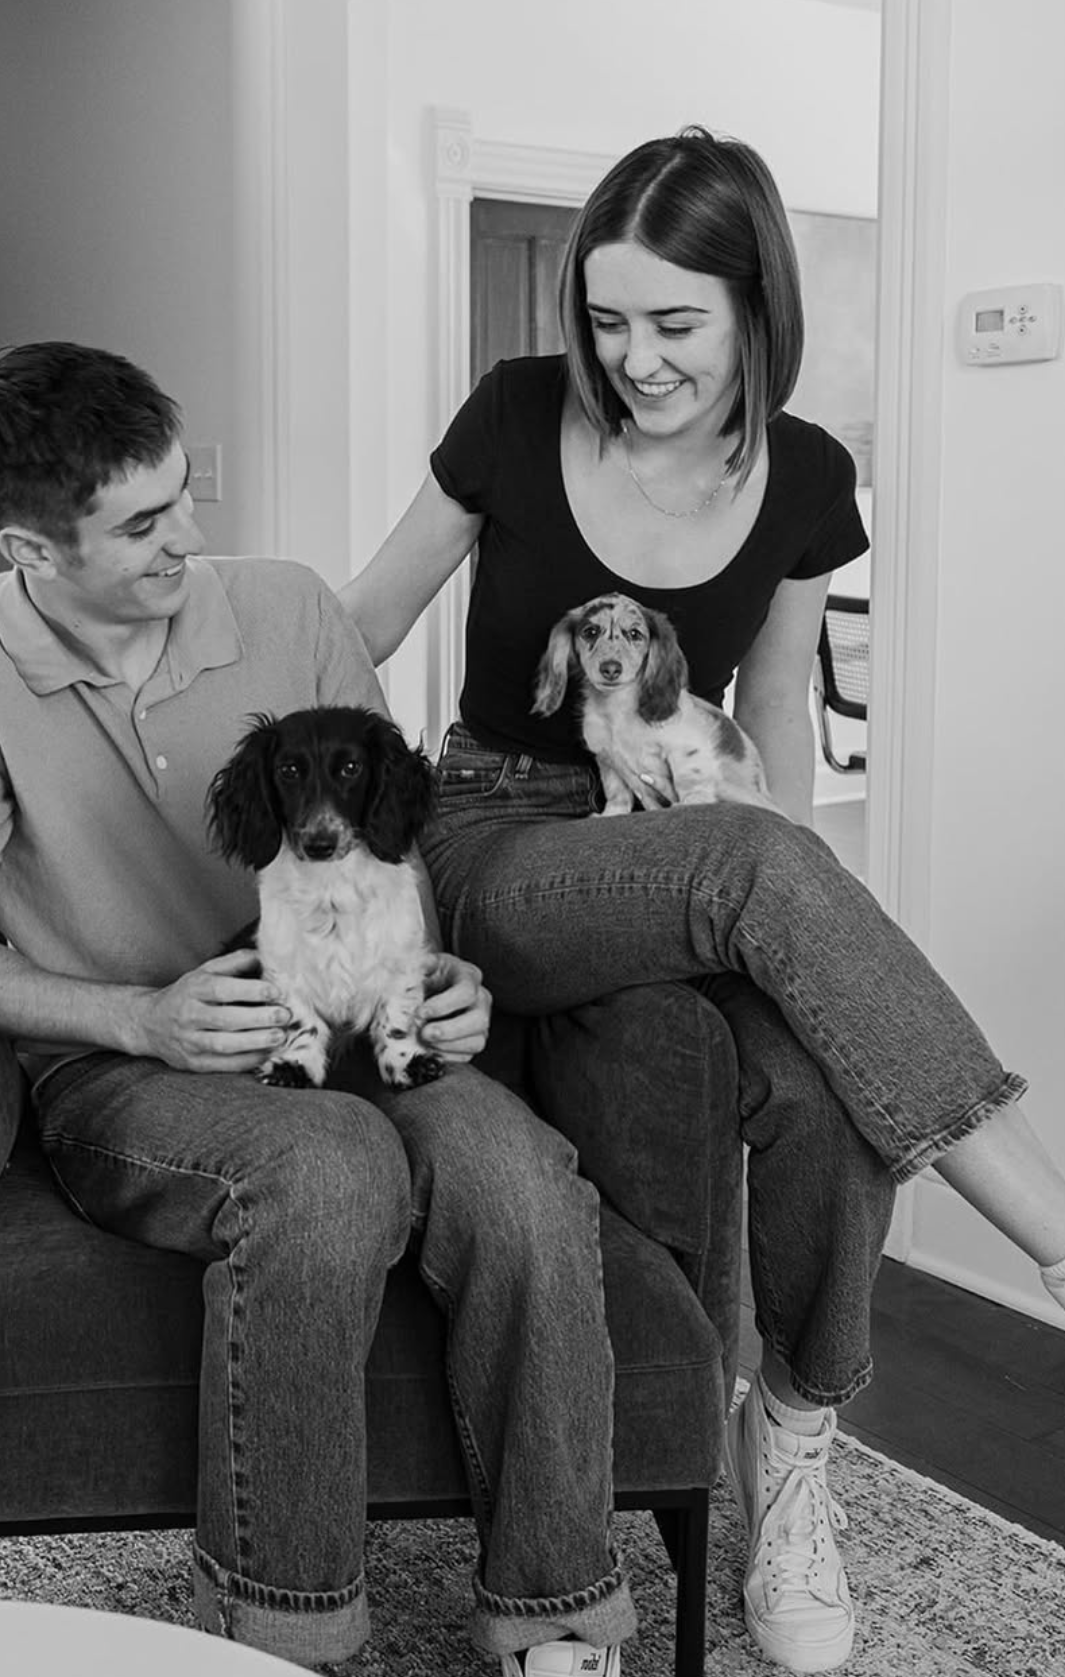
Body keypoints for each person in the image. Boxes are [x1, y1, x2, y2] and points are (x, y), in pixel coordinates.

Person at [340, 126, 1065, 1674]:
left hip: (697, 837)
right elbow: (360, 623)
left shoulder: (806, 475)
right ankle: (1055, 1225)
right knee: (762, 863)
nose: (633, 359)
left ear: (754, 306)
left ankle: (791, 1440)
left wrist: (801, 921)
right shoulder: (518, 413)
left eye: (673, 323)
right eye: (609, 320)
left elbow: (780, 721)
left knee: (817, 1069)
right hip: (498, 840)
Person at [0, 341, 636, 1674]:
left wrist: (439, 981)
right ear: (32, 549)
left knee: (522, 1179)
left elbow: (394, 843)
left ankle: (557, 1614)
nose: (191, 536)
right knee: (329, 1165)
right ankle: (289, 1630)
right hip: (120, 1061)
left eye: (183, 493)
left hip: (352, 1015)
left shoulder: (286, 609)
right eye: (146, 522)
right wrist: (142, 1020)